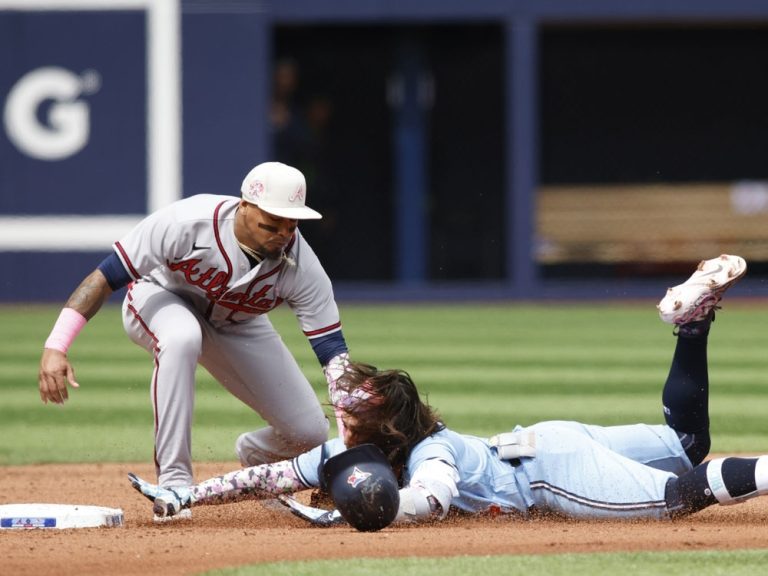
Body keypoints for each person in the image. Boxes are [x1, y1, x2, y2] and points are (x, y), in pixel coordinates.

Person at [129, 254, 766, 528]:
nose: (339, 417)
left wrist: (347, 515)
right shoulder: (359, 451)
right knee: (687, 443)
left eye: (352, 414)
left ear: (385, 432)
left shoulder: (430, 455)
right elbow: (266, 478)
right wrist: (184, 498)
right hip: (548, 440)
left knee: (681, 495)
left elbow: (429, 502)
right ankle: (692, 324)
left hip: (550, 472)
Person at [39, 162, 354, 519]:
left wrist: (350, 419)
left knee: (309, 431)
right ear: (245, 206)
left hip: (239, 324)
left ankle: (257, 454)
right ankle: (174, 482)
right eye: (272, 222)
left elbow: (332, 351)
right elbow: (105, 277)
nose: (283, 233)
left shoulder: (301, 265)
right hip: (158, 297)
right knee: (182, 336)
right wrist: (57, 345)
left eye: (291, 223)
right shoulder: (187, 222)